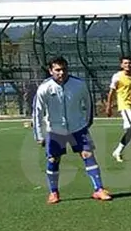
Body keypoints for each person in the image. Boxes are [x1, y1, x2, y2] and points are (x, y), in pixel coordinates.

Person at [33, 56, 112, 204]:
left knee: (88, 155)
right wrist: (39, 134)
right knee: (53, 159)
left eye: (64, 69)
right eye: (57, 70)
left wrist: (86, 123)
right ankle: (54, 192)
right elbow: (37, 112)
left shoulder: (79, 84)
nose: (61, 73)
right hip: (55, 130)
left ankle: (99, 189)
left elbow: (88, 103)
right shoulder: (44, 88)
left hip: (78, 127)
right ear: (50, 71)